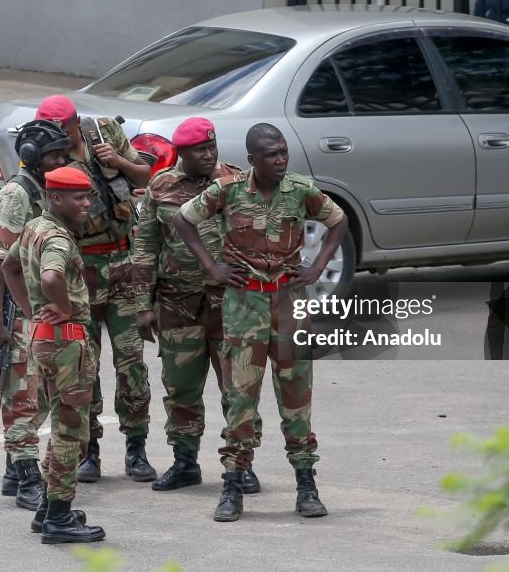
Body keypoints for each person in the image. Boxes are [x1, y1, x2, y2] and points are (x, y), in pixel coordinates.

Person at [173, 122, 348, 522]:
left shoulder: (300, 190)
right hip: (244, 303)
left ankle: (306, 486)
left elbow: (338, 221)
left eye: (283, 151)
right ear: (253, 159)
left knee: (296, 396)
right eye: (272, 154)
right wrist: (211, 266)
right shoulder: (228, 189)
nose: (281, 159)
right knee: (240, 399)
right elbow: (184, 219)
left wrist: (318, 265)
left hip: (288, 301)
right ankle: (232, 487)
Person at [130, 117, 262, 493]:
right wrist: (143, 304)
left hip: (231, 305)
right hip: (177, 304)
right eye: (199, 150)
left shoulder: (237, 182)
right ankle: (185, 461)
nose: (208, 155)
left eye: (212, 147)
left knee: (238, 388)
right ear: (182, 153)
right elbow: (145, 247)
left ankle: (241, 463)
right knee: (181, 387)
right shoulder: (161, 186)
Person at [34, 95, 156, 483]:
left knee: (132, 362)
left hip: (121, 264)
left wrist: (117, 162)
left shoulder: (104, 130)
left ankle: (136, 448)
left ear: (74, 124)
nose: (56, 139)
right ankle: (90, 452)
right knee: (84, 367)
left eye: (61, 132)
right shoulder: (49, 160)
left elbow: (145, 178)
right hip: (80, 271)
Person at [2, 165, 105, 544]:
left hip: (42, 339)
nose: (86, 203)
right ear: (55, 198)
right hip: (66, 341)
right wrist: (60, 305)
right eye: (78, 197)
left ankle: (47, 507)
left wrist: (31, 311)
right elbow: (50, 277)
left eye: (88, 195)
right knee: (70, 430)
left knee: (62, 422)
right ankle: (60, 517)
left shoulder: (33, 228)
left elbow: (11, 267)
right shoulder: (58, 239)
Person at [0, 120, 71, 509]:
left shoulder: (43, 192)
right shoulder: (17, 196)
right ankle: (29, 477)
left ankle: (15, 471)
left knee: (38, 393)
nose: (62, 161)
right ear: (31, 158)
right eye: (54, 156)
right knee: (25, 398)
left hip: (34, 308)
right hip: (18, 311)